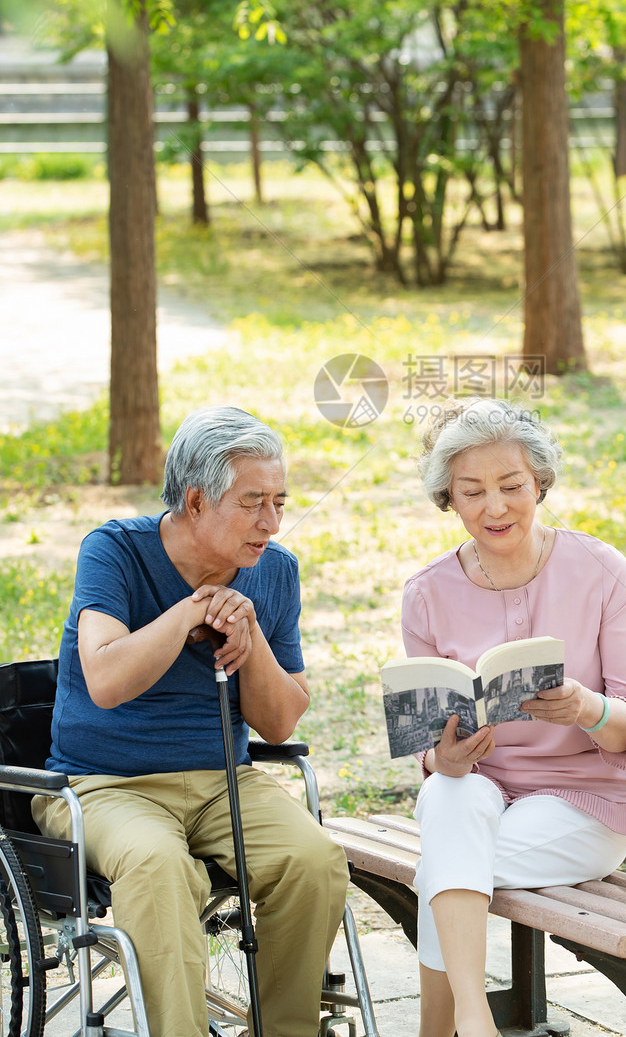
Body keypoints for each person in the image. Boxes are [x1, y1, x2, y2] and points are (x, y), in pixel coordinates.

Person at [33, 405, 349, 1037]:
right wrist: (189, 613)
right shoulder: (115, 550)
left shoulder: (274, 571)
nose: (272, 521)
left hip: (222, 780)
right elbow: (105, 680)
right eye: (253, 501)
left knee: (313, 860)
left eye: (280, 502)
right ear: (198, 500)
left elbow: (281, 723)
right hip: (102, 786)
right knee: (157, 864)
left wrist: (250, 634)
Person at [403, 399, 626, 1037]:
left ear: (539, 484)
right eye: (473, 492)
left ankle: (450, 1025)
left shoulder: (601, 570)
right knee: (448, 796)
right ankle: (472, 1020)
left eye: (512, 486)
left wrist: (588, 708)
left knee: (443, 865)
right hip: (482, 789)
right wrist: (442, 757)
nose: (495, 507)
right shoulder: (428, 593)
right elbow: (427, 741)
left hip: (585, 803)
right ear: (450, 501)